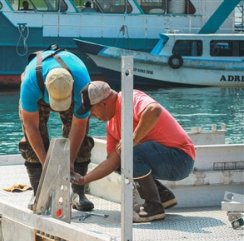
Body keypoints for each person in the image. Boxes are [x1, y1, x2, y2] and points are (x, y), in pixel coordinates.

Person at [72, 81, 195, 222]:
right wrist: (84, 180)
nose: (91, 115)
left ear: (103, 103)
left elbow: (154, 110)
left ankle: (154, 207)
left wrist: (132, 139)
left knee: (128, 151)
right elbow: (112, 162)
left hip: (181, 158)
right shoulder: (111, 126)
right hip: (165, 159)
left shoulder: (130, 99)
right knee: (120, 159)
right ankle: (162, 196)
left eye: (92, 110)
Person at [19, 47, 95, 211]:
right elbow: (31, 126)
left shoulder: (82, 83)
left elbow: (79, 125)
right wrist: (47, 165)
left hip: (73, 93)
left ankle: (78, 193)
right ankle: (39, 190)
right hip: (39, 91)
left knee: (82, 142)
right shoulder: (30, 82)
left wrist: (70, 163)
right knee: (30, 142)